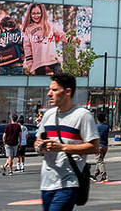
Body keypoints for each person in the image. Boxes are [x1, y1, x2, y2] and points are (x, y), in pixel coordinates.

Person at [35, 73, 99, 211]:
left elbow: (94, 147)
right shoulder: (48, 115)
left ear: (68, 91)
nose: (49, 94)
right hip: (47, 181)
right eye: (49, 89)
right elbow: (38, 140)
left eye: (54, 90)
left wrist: (62, 147)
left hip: (69, 181)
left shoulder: (82, 115)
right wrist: (39, 146)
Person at [22, 3, 65, 75]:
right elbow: (27, 47)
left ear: (42, 13)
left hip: (52, 59)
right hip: (38, 62)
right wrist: (29, 63)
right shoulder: (28, 29)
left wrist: (72, 39)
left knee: (61, 79)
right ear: (30, 14)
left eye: (38, 13)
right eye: (33, 13)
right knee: (40, 84)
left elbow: (61, 34)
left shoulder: (49, 25)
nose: (36, 16)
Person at [92, 114, 109, 183]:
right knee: (100, 160)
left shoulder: (96, 127)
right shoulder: (107, 126)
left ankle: (104, 176)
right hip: (105, 145)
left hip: (98, 145)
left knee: (99, 161)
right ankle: (95, 174)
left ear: (98, 119)